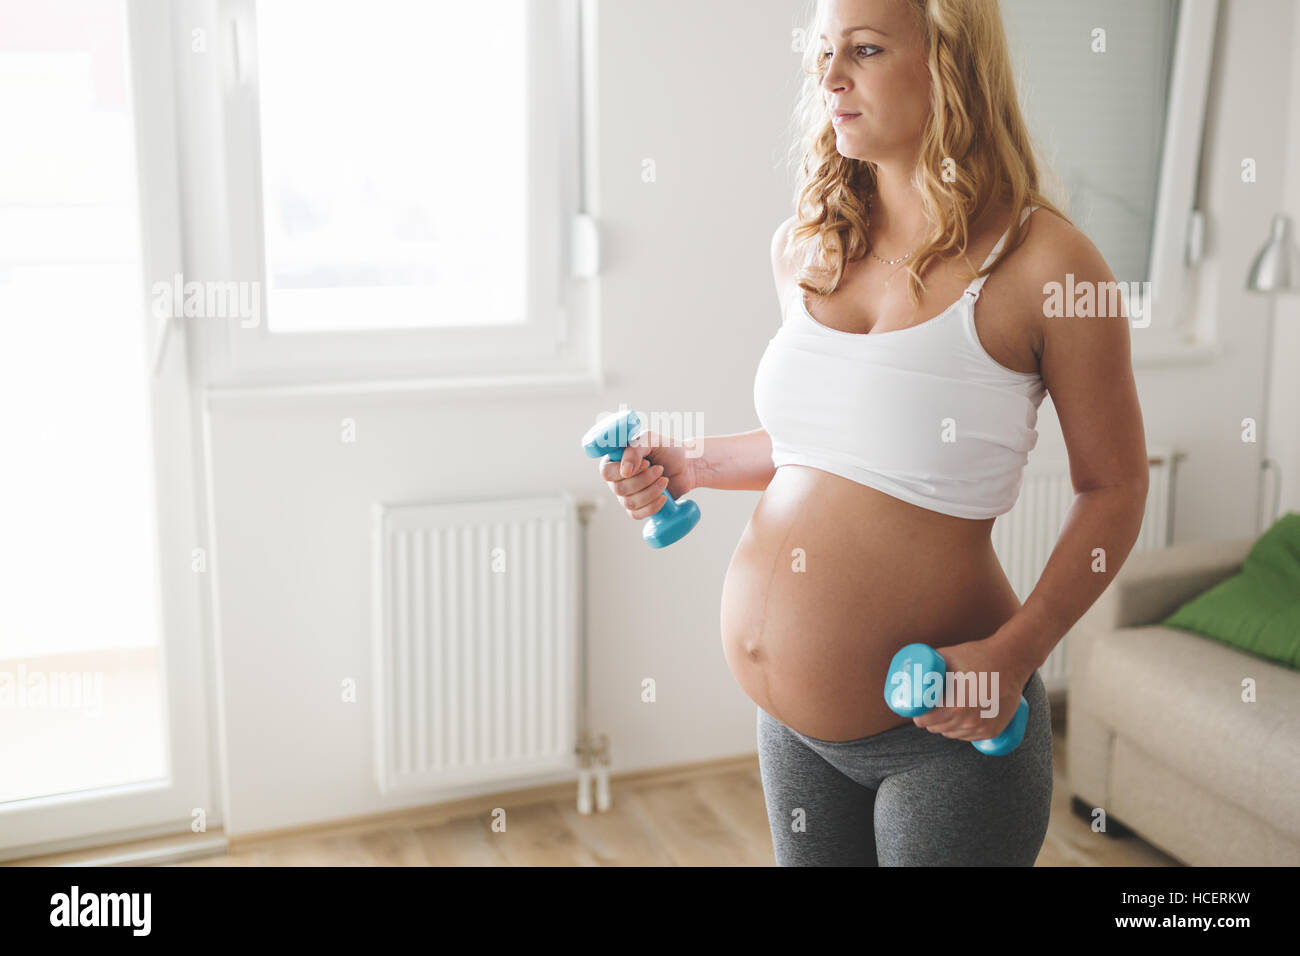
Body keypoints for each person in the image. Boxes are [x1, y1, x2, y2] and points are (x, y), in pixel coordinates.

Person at [597, 0, 1148, 866]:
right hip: (792, 734)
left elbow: (1115, 487)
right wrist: (693, 462)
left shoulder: (1047, 265)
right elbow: (822, 445)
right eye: (822, 52)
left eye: (863, 49)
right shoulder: (809, 244)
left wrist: (1014, 656)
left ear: (949, 65)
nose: (828, 77)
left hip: (947, 741)